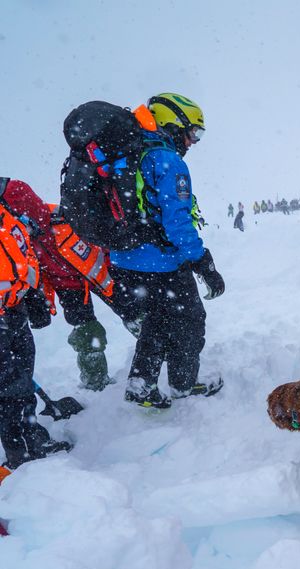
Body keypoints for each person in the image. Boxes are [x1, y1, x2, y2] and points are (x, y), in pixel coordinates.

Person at [109, 93, 226, 409]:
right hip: (160, 262)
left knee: (157, 320)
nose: (194, 141)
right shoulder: (166, 160)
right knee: (190, 320)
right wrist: (202, 261)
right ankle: (183, 384)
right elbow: (176, 221)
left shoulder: (128, 154)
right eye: (194, 132)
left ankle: (141, 383)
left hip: (123, 259)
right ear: (172, 123)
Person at [1, 179, 115, 391]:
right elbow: (25, 272)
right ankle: (97, 383)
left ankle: (162, 356)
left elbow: (102, 239)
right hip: (69, 287)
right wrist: (37, 299)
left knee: (138, 315)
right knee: (87, 331)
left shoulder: (65, 218)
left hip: (104, 275)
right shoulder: (16, 241)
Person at [0, 180, 74, 470]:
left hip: (14, 312)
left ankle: (32, 439)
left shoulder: (8, 215)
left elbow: (23, 257)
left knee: (21, 376)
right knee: (9, 387)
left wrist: (34, 296)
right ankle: (20, 452)